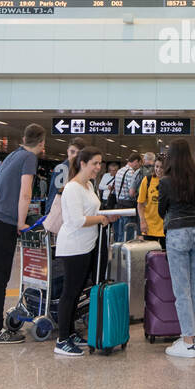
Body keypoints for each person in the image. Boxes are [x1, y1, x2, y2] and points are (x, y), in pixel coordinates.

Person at [0, 124, 45, 344]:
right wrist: (21, 222)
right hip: (2, 223)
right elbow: (25, 192)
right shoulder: (29, 158)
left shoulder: (13, 155)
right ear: (42, 143)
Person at [55, 146, 122, 356]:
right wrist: (101, 219)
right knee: (69, 293)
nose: (98, 167)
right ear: (82, 164)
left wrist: (106, 216)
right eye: (94, 163)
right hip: (73, 247)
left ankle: (71, 332)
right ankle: (62, 340)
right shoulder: (73, 188)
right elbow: (75, 220)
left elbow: (93, 211)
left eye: (99, 163)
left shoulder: (89, 186)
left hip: (87, 246)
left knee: (77, 293)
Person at [158, 139, 195, 359]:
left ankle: (187, 342)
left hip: (177, 233)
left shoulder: (166, 181)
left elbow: (161, 210)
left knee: (181, 290)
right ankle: (191, 337)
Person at [137, 157, 165, 246]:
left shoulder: (171, 181)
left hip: (166, 228)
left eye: (162, 167)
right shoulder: (147, 180)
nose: (158, 170)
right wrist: (142, 222)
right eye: (156, 166)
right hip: (150, 227)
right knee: (151, 257)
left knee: (166, 257)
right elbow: (140, 204)